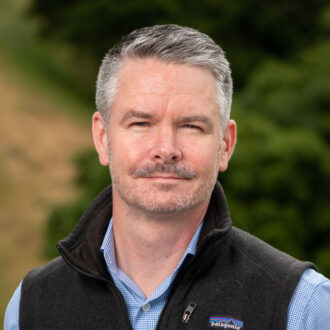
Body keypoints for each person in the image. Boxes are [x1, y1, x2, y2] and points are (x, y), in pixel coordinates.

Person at [4, 24, 330, 330]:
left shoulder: (302, 307)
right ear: (102, 138)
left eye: (191, 126)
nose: (166, 149)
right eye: (141, 123)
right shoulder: (31, 306)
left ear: (225, 145)